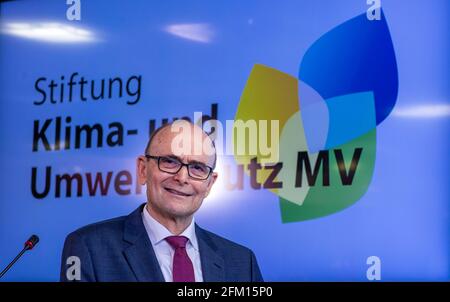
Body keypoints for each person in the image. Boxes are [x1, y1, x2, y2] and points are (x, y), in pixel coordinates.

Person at [60, 120, 263, 282]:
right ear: (143, 170)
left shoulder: (243, 263)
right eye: (169, 161)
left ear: (209, 184)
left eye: (197, 168)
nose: (182, 177)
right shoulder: (89, 247)